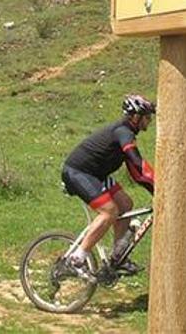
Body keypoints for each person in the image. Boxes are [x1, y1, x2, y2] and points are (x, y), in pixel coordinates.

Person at [61, 94, 156, 280]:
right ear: (135, 117)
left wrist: (155, 190)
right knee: (109, 211)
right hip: (78, 172)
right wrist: (159, 187)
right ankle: (77, 258)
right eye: (147, 116)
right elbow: (137, 162)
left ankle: (117, 257)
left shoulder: (127, 134)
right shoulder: (123, 132)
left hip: (96, 175)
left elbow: (137, 173)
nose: (149, 121)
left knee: (126, 204)